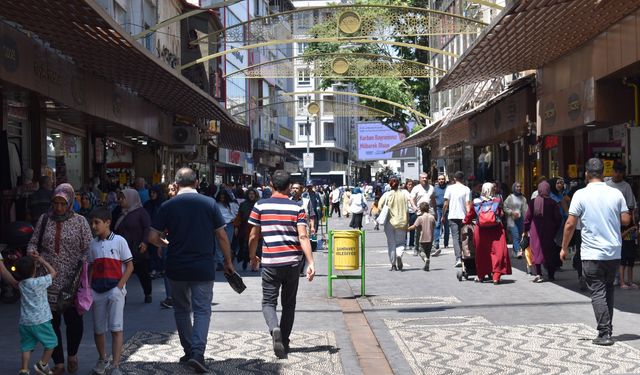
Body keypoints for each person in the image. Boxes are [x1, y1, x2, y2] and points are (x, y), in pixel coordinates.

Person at [149, 167, 236, 373]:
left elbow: (153, 238)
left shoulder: (167, 206)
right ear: (197, 183)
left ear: (176, 184)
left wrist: (165, 244)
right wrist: (228, 261)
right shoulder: (209, 204)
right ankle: (197, 353)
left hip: (176, 266)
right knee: (202, 309)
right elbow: (222, 236)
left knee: (181, 309)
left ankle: (189, 351)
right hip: (203, 266)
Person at [560, 158, 630, 346]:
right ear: (602, 172)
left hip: (592, 252)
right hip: (614, 252)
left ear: (586, 174)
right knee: (608, 289)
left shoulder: (581, 195)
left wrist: (564, 247)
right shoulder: (616, 194)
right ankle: (608, 328)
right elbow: (625, 219)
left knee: (598, 292)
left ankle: (604, 333)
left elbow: (570, 224)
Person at [248, 170, 315, 359]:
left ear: (271, 185)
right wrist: (310, 262)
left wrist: (252, 257)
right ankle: (284, 341)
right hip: (293, 262)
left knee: (268, 302)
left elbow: (254, 235)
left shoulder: (260, 205)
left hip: (270, 262)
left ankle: (274, 328)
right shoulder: (297, 207)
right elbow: (303, 236)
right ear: (289, 187)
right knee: (289, 304)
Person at [27, 183, 92, 375]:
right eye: (55, 203)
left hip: (72, 281)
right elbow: (33, 242)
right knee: (51, 323)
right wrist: (32, 252)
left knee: (74, 320)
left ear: (70, 202)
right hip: (47, 280)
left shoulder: (80, 221)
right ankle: (59, 363)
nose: (59, 207)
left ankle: (72, 355)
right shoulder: (44, 219)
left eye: (63, 203)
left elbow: (89, 248)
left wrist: (82, 264)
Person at [88, 208, 134, 375]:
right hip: (97, 291)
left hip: (115, 290)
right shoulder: (92, 244)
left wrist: (119, 287)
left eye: (97, 222)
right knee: (98, 329)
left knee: (116, 328)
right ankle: (103, 359)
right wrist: (89, 288)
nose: (93, 226)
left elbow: (129, 266)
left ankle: (115, 365)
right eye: (92, 222)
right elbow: (92, 267)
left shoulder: (120, 241)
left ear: (107, 222)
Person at [15, 254, 58, 375]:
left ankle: (24, 370)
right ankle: (42, 364)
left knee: (26, 346)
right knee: (52, 342)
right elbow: (54, 273)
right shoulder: (39, 282)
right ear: (34, 269)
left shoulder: (21, 284)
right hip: (41, 321)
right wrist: (42, 261)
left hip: (25, 322)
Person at [463, 182, 512, 284]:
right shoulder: (497, 201)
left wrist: (465, 221)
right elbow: (500, 214)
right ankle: (496, 276)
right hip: (496, 231)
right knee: (498, 253)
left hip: (481, 231)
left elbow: (469, 216)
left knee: (482, 253)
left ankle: (481, 275)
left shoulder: (476, 202)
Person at [113, 188, 152, 303]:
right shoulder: (119, 211)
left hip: (137, 248)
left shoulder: (141, 212)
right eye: (119, 198)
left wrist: (145, 242)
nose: (120, 200)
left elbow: (147, 228)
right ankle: (121, 294)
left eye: (123, 198)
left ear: (131, 198)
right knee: (121, 272)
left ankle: (147, 293)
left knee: (143, 273)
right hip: (122, 248)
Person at [606, 162, 637, 288]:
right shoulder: (606, 185)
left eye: (621, 172)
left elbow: (631, 206)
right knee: (610, 249)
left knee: (622, 251)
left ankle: (620, 277)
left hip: (622, 223)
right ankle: (612, 276)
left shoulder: (626, 187)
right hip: (608, 222)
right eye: (616, 171)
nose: (618, 174)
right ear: (612, 171)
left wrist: (631, 223)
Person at [523, 181, 562, 282]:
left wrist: (526, 229)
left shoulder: (533, 202)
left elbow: (528, 217)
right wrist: (556, 228)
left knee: (536, 251)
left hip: (535, 230)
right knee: (550, 252)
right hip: (549, 230)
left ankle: (539, 274)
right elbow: (558, 218)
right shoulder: (553, 203)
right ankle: (551, 275)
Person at [442, 171, 472, 268]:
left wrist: (443, 215)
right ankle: (465, 255)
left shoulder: (449, 188)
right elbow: (468, 204)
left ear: (454, 179)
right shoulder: (467, 189)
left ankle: (458, 258)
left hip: (453, 216)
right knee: (464, 237)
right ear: (463, 179)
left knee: (456, 237)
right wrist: (469, 216)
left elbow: (446, 203)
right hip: (463, 217)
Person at [378, 177, 409, 271]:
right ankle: (399, 254)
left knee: (391, 243)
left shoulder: (386, 194)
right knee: (400, 243)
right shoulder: (404, 194)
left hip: (389, 222)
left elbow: (379, 206)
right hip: (401, 221)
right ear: (399, 184)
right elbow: (408, 208)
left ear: (389, 184)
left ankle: (393, 264)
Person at [406, 202, 436, 271]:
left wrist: (407, 229)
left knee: (421, 251)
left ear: (421, 210)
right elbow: (434, 225)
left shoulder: (420, 218)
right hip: (430, 239)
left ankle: (425, 260)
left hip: (422, 238)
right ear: (428, 209)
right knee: (427, 253)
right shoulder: (432, 217)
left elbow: (414, 226)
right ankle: (427, 265)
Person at [236, 188, 260, 271]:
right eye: (250, 194)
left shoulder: (258, 204)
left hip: (256, 228)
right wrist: (236, 226)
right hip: (245, 228)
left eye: (253, 194)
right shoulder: (243, 204)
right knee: (245, 247)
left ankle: (255, 265)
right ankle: (245, 261)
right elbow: (239, 216)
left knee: (257, 248)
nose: (251, 195)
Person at [144, 185, 165, 279]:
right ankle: (154, 269)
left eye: (154, 192)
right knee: (152, 250)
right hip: (150, 230)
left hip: (162, 230)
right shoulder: (148, 204)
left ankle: (161, 268)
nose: (152, 194)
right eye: (151, 192)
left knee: (160, 250)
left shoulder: (163, 204)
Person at [215, 190, 239, 269]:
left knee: (228, 242)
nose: (222, 199)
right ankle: (220, 262)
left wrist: (235, 221)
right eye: (221, 197)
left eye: (223, 197)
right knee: (218, 243)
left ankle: (227, 260)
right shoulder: (216, 205)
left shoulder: (232, 205)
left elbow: (238, 214)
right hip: (219, 226)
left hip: (229, 225)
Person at [504, 182, 528, 258]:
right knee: (516, 235)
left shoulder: (523, 198)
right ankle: (518, 251)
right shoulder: (510, 197)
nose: (519, 188)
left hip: (521, 220)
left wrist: (526, 219)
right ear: (514, 187)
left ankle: (515, 251)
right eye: (517, 187)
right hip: (512, 220)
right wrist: (511, 212)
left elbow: (525, 209)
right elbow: (505, 207)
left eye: (520, 186)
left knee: (520, 236)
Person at [432, 174, 448, 253]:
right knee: (437, 225)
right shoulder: (435, 189)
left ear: (445, 180)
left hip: (447, 209)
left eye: (442, 179)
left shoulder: (448, 188)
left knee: (447, 226)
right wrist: (434, 209)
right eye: (439, 179)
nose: (441, 181)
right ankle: (436, 242)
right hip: (438, 209)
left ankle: (446, 243)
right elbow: (432, 199)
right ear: (437, 180)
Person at [403, 179, 418, 254]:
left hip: (413, 211)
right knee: (405, 228)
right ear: (406, 185)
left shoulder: (414, 192)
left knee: (412, 228)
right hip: (405, 211)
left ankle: (411, 243)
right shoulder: (403, 192)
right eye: (409, 184)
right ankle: (404, 243)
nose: (410, 186)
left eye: (411, 184)